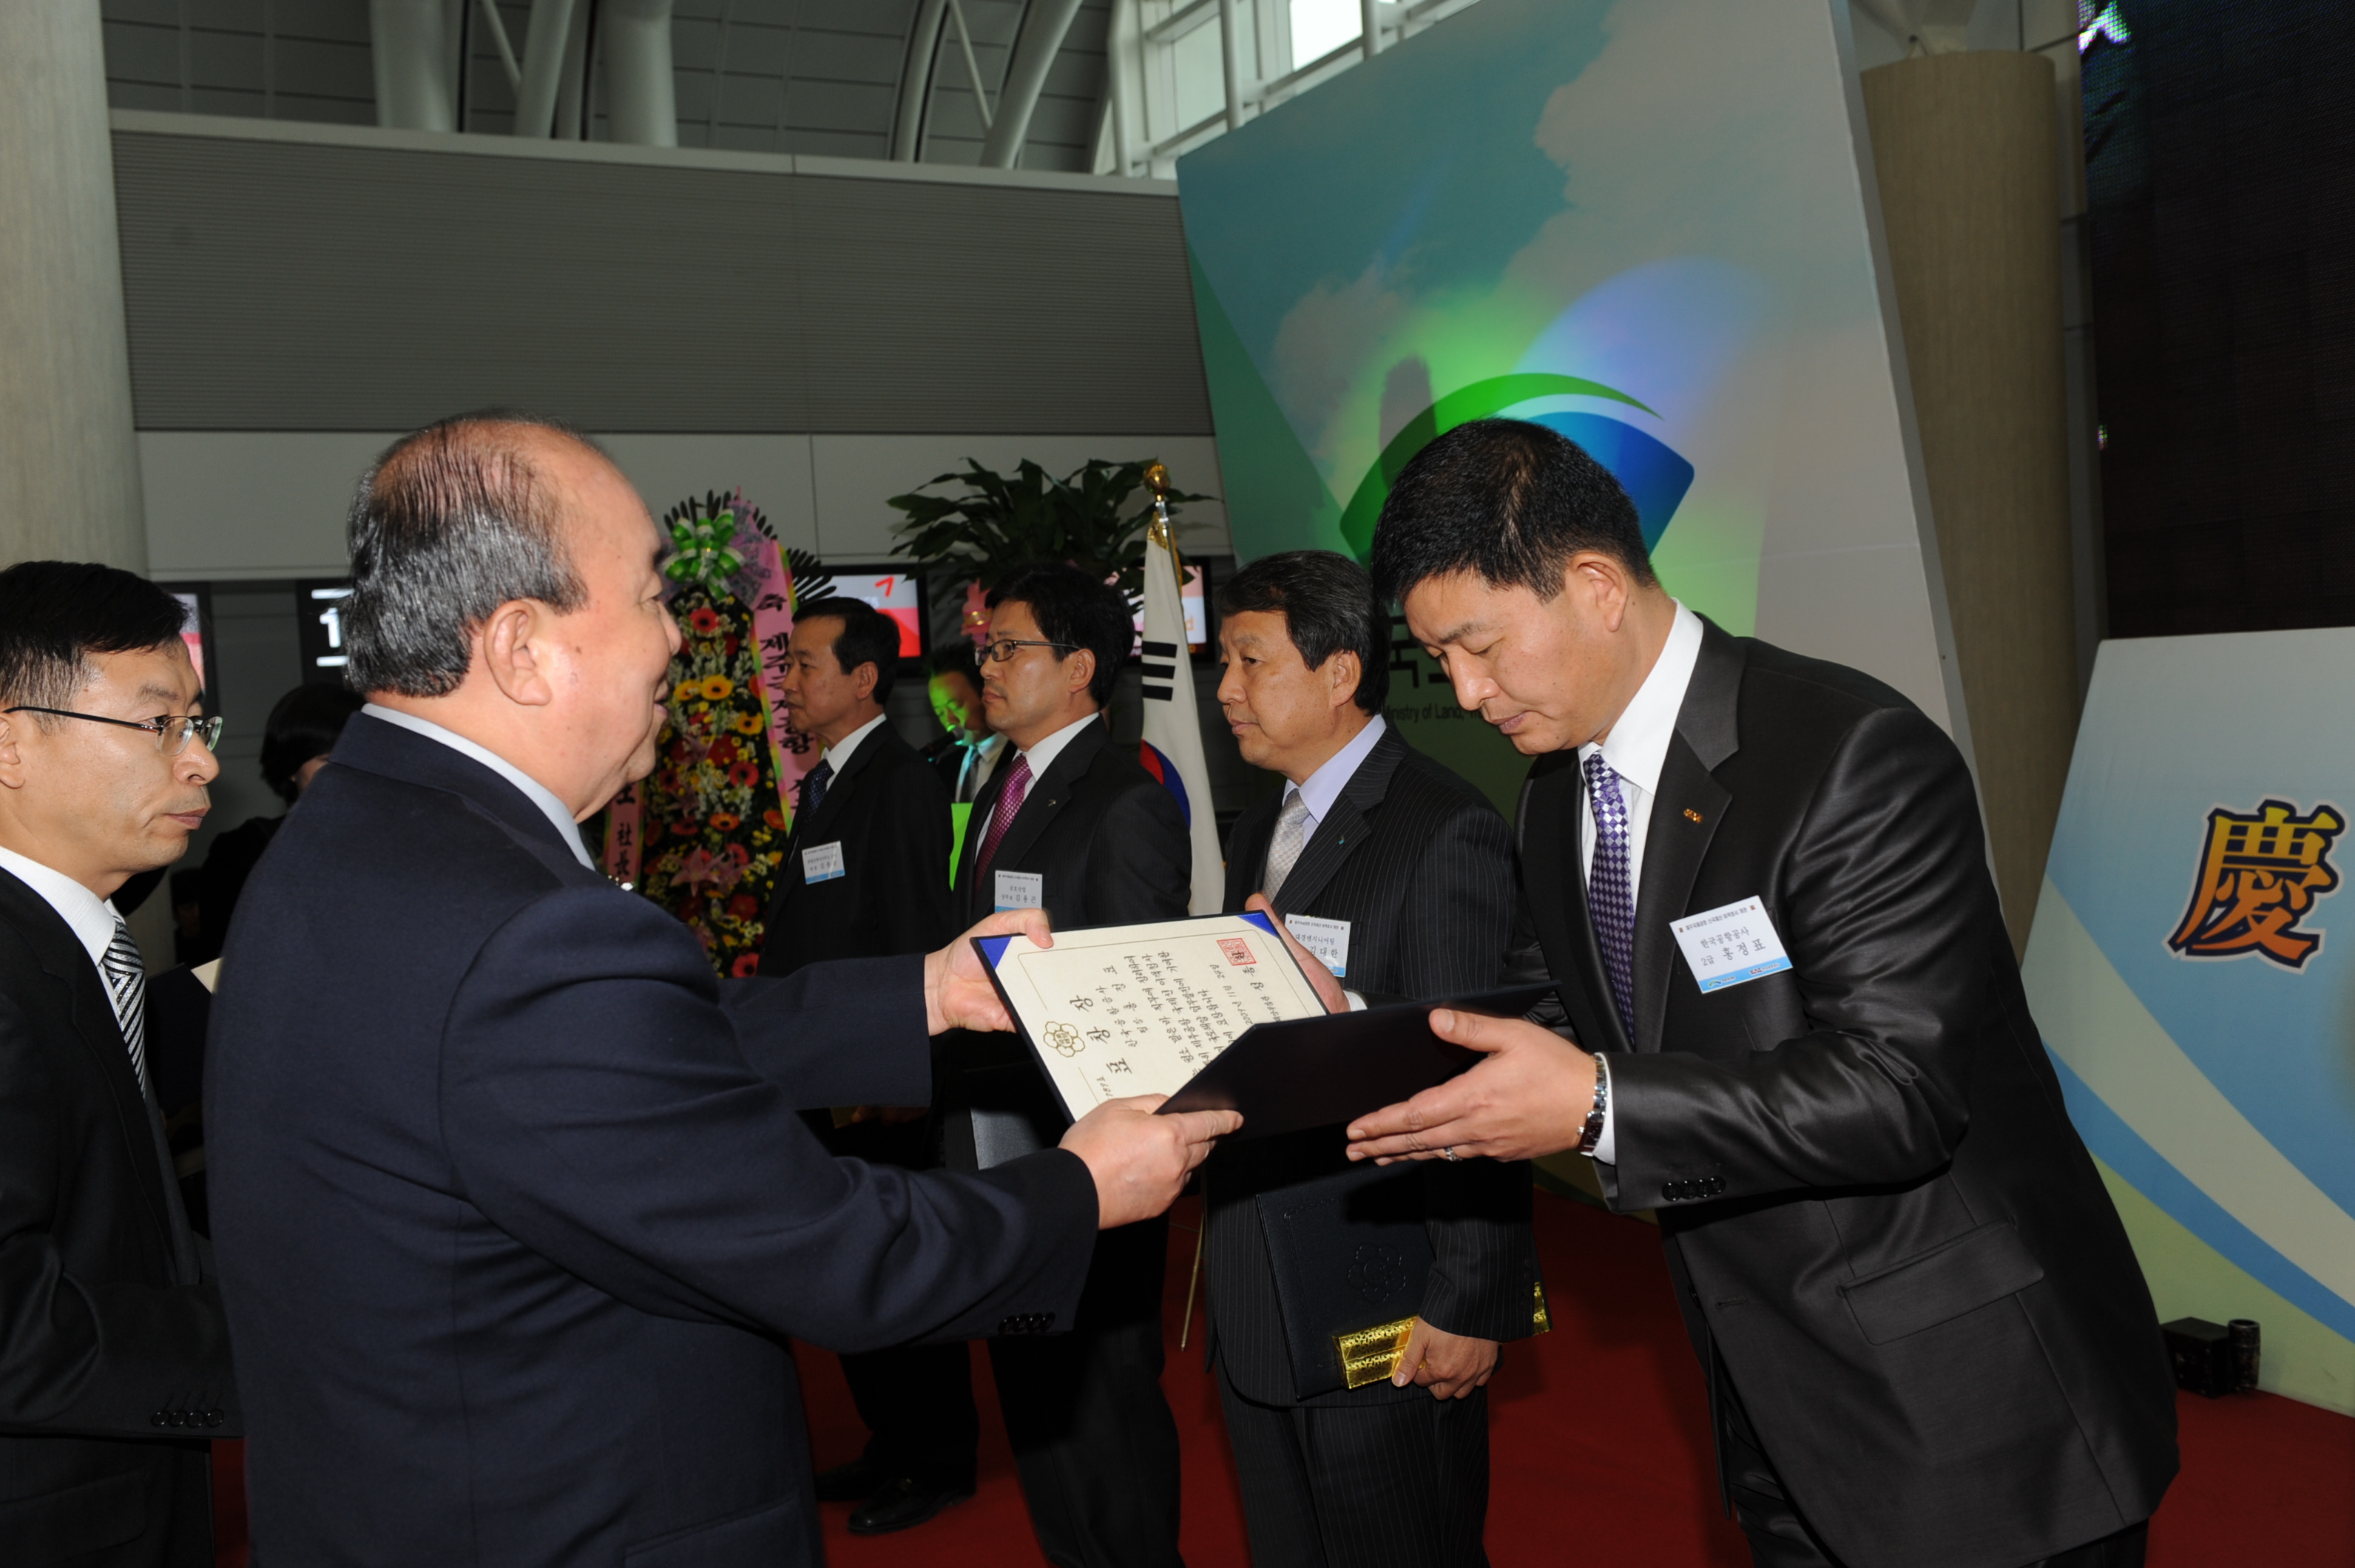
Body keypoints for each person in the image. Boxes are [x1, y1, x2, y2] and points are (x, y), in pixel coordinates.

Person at [204, 413, 1240, 1568]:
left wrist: (927, 993)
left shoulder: (361, 829)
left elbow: (644, 1046)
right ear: (520, 646)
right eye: (652, 600)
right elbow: (839, 1251)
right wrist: (1080, 1187)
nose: (681, 645)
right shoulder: (529, 928)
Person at [1348, 419, 2177, 1568]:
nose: (1466, 692)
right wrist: (1349, 1033)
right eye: (1437, 660)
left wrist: (1598, 1110)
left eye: (1479, 646)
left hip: (1970, 1413)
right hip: (1773, 1395)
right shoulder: (1557, 796)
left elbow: (1899, 1090)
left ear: (1593, 586)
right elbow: (1555, 1018)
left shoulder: (1846, 755)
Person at [1206, 550, 1539, 1568]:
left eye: (1250, 661)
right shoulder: (1265, 818)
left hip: (1386, 1288)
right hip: (1259, 1272)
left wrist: (1469, 1298)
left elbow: (1474, 1082)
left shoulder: (1443, 830)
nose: (1224, 690)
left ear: (1340, 672)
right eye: (1223, 663)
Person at [942, 562, 1192, 1568]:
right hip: (999, 1149)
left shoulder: (1123, 799)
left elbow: (1136, 1007)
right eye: (985, 649)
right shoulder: (999, 782)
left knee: (1104, 1405)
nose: (986, 668)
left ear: (1081, 667)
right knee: (1038, 1402)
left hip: (1089, 1158)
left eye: (1010, 649)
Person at [0, 560, 240, 1567]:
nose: (203, 766)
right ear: (13, 741)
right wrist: (285, 1339)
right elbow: (16, 1333)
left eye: (200, 726)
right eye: (159, 726)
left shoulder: (70, 946)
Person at [756, 596, 976, 1534]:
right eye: (787, 665)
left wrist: (898, 1069)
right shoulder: (827, 781)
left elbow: (918, 930)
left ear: (862, 678)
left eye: (805, 664)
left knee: (895, 1269)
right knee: (846, 1268)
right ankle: (891, 1441)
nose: (788, 681)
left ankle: (935, 1458)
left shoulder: (900, 780)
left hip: (875, 1080)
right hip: (828, 1070)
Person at [175, 681, 363, 965]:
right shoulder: (245, 854)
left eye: (361, 758)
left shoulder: (406, 844)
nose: (349, 772)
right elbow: (220, 967)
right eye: (329, 760)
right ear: (292, 767)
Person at [923, 640, 1007, 805]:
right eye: (940, 712)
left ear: (986, 695)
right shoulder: (945, 766)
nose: (949, 720)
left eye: (956, 706)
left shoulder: (1020, 755)